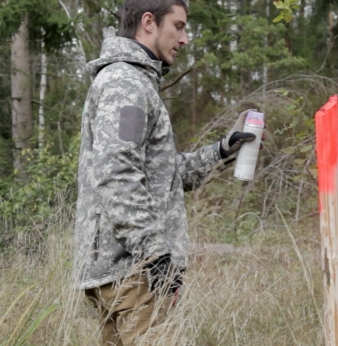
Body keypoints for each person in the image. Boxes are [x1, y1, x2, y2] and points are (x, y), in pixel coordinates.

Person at [73, 0, 261, 345]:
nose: (185, 38)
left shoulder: (133, 81)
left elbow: (159, 173)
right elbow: (118, 173)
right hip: (133, 273)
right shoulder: (126, 83)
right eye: (178, 25)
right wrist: (155, 254)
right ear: (149, 22)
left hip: (124, 271)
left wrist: (220, 152)